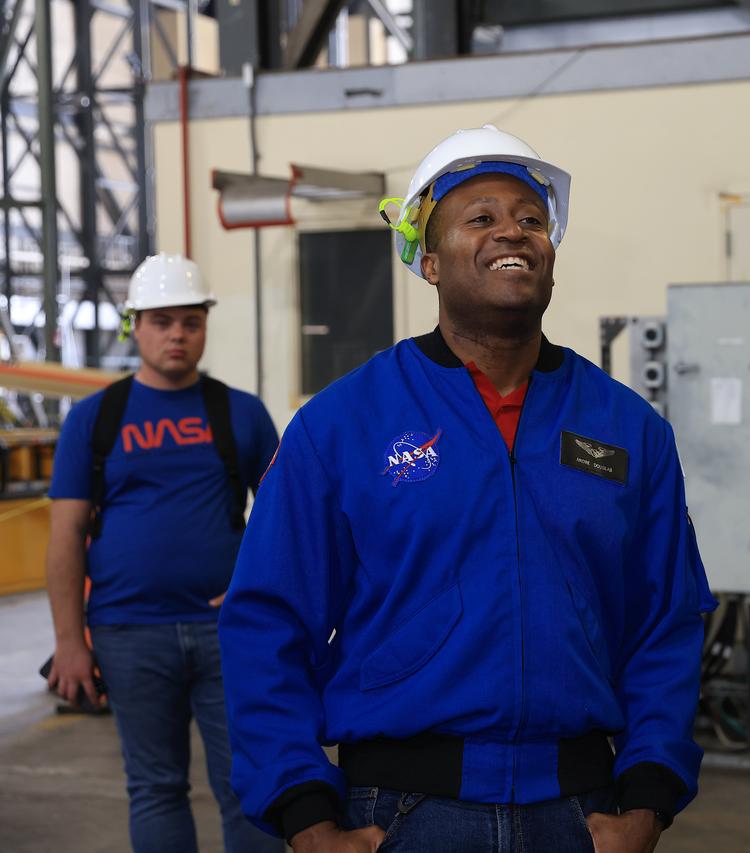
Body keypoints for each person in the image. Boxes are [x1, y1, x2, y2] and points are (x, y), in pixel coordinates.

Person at [218, 125, 716, 853]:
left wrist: (646, 797)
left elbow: (665, 622)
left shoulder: (629, 429)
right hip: (402, 813)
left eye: (531, 218)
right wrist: (303, 811)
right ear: (428, 259)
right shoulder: (343, 425)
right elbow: (267, 619)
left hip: (580, 809)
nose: (512, 231)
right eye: (480, 217)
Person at [45, 253, 281, 853]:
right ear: (135, 326)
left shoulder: (241, 413)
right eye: (161, 321)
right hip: (128, 632)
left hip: (228, 628)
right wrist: (71, 643)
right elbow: (66, 535)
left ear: (204, 325)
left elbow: (287, 520)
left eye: (190, 321)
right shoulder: (94, 420)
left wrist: (260, 589)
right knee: (154, 788)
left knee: (250, 785)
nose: (177, 334)